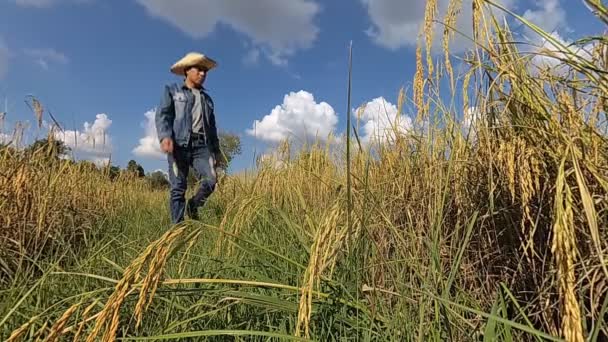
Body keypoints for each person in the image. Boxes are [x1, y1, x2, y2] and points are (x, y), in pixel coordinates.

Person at [155, 52, 224, 224]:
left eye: (205, 71)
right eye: (199, 69)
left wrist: (217, 152)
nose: (203, 73)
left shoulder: (207, 100)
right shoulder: (172, 91)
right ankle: (177, 231)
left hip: (202, 147)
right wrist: (165, 137)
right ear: (187, 71)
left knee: (211, 180)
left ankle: (193, 205)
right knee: (178, 188)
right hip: (179, 145)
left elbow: (212, 128)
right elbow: (163, 115)